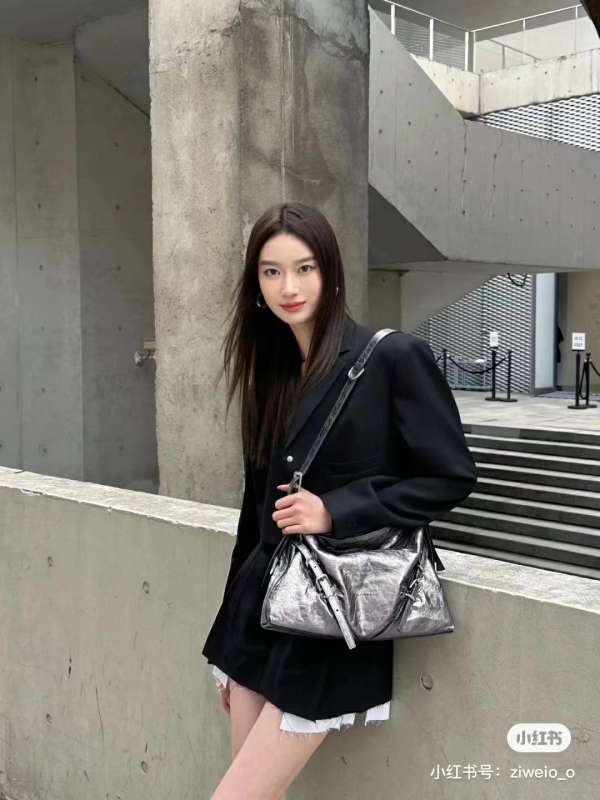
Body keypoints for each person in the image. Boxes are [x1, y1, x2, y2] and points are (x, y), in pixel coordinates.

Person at [201, 202, 478, 799]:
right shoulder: (270, 376)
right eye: (271, 272)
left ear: (330, 272)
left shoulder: (393, 357)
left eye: (304, 268)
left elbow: (450, 477)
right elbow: (254, 516)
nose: (289, 287)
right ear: (255, 284)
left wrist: (335, 510)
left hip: (335, 615)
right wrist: (228, 639)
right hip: (258, 615)